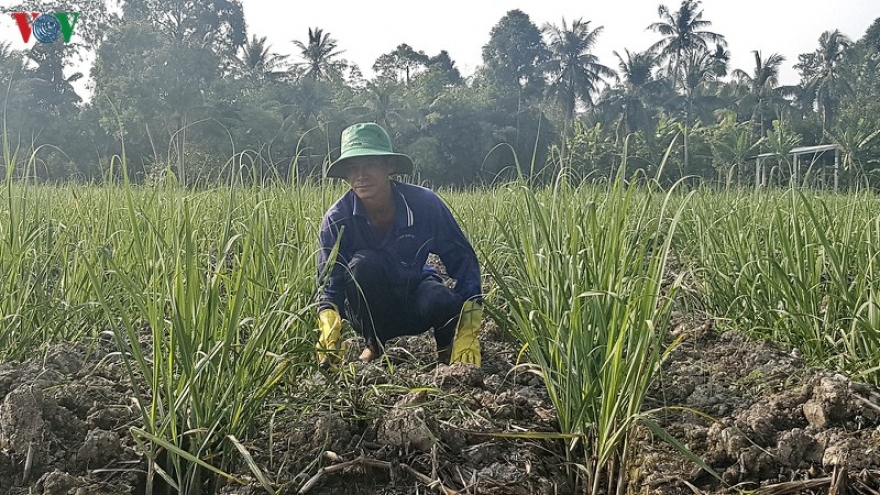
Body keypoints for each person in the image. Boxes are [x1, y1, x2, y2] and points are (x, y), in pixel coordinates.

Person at [314, 122, 482, 368]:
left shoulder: (424, 205)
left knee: (442, 299)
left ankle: (447, 351)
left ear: (389, 166)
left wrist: (469, 328)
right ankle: (374, 344)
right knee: (363, 264)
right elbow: (330, 284)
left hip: (414, 295)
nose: (360, 175)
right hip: (369, 309)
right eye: (352, 168)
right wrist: (329, 326)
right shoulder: (337, 219)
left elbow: (463, 260)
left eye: (369, 164)